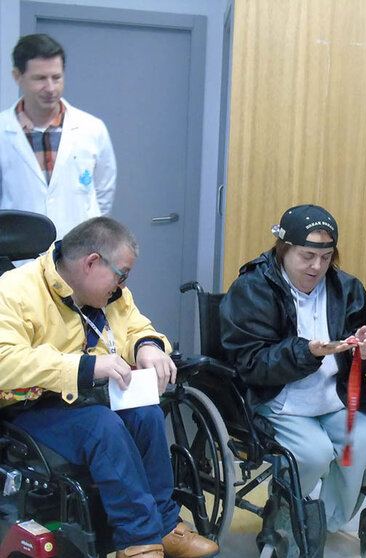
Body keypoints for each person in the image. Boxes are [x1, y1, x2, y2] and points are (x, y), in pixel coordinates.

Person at [0, 217, 218, 558]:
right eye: (121, 274)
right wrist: (85, 367)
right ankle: (138, 540)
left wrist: (148, 346)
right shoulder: (14, 290)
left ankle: (164, 524)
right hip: (28, 404)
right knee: (104, 427)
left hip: (84, 394)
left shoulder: (110, 295)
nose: (122, 285)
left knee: (146, 412)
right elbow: (5, 361)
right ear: (91, 263)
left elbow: (134, 327)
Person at [220, 204, 366, 554]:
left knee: (358, 444)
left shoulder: (345, 288)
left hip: (334, 397)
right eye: (307, 255)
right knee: (312, 455)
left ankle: (319, 522)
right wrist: (304, 354)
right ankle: (293, 524)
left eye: (326, 257)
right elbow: (249, 363)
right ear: (285, 250)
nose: (317, 266)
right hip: (279, 401)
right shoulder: (253, 288)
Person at [0, 34, 116, 239]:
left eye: (57, 77)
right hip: (18, 258)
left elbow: (103, 194)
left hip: (78, 254)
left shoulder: (92, 129)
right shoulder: (3, 130)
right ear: (17, 76)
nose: (51, 88)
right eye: (40, 78)